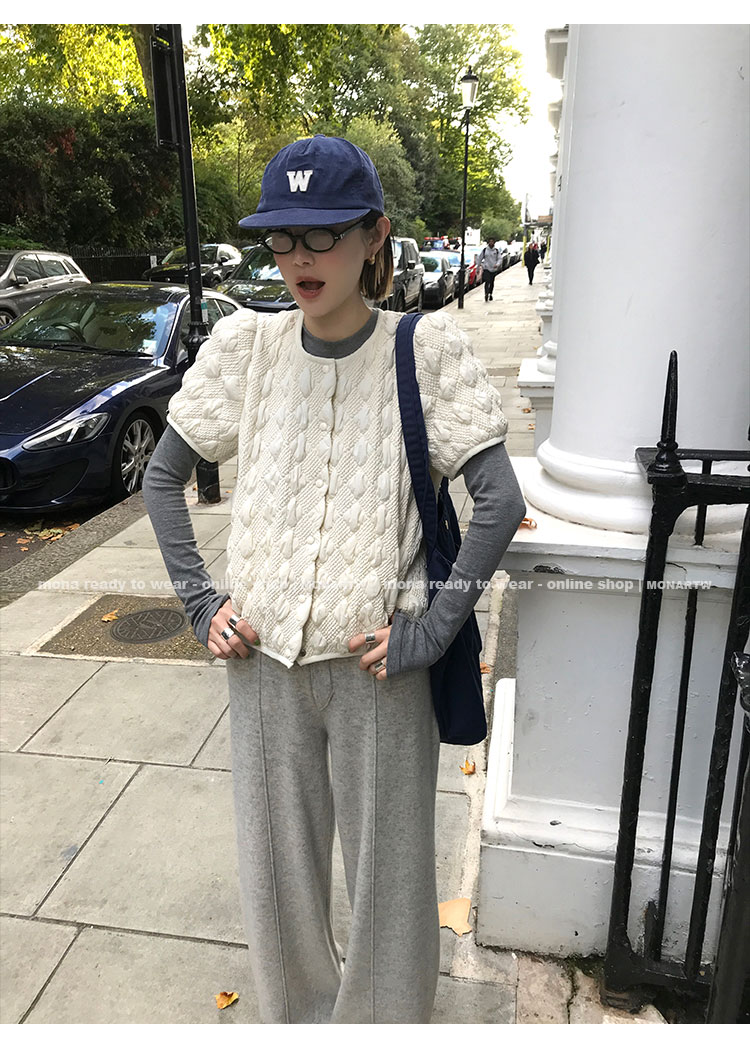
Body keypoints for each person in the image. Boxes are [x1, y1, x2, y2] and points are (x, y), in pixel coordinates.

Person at [142, 134, 526, 1024]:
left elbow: (499, 500)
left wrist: (432, 628)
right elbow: (163, 478)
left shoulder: (424, 350)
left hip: (376, 667)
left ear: (374, 234)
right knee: (277, 879)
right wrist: (200, 603)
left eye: (323, 234)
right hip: (261, 660)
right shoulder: (247, 348)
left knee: (391, 881)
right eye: (283, 236)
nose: (300, 258)